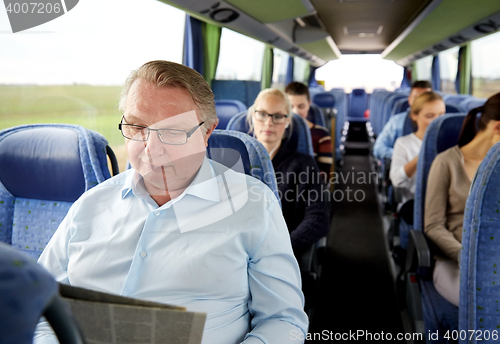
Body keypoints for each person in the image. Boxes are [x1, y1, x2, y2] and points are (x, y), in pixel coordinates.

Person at [35, 61, 308, 344]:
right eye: (137, 126)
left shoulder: (254, 205)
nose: (151, 149)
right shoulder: (89, 206)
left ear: (207, 133)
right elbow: (39, 302)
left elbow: (284, 321)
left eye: (174, 132)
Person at [425, 92, 500, 306]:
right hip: (455, 261)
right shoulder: (446, 162)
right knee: (484, 302)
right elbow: (433, 226)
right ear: (497, 127)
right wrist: (464, 255)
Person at [247, 88, 329, 256]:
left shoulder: (304, 165)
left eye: (277, 117)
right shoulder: (232, 161)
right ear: (252, 116)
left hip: (282, 253)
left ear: (287, 122)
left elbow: (318, 218)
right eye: (262, 114)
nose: (268, 123)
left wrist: (281, 250)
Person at [390, 92, 445, 207]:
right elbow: (397, 181)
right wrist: (422, 156)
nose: (437, 121)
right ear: (414, 116)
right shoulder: (404, 144)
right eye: (430, 116)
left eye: (441, 115)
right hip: (415, 203)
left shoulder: (452, 143)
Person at [373, 80, 432, 161]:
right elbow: (379, 148)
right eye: (416, 98)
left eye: (425, 98)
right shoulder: (397, 121)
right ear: (409, 99)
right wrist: (402, 155)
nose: (420, 102)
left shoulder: (438, 123)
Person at [285, 82, 333, 178]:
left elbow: (324, 175)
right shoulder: (278, 132)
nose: (296, 112)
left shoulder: (322, 135)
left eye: (301, 106)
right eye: (291, 107)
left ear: (309, 104)